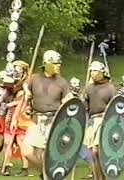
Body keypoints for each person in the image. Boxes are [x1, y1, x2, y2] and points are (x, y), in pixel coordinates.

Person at [21, 50, 71, 179]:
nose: (59, 65)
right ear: (47, 63)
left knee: (45, 154)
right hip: (36, 120)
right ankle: (45, 173)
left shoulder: (62, 82)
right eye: (55, 63)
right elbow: (25, 88)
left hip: (54, 121)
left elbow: (67, 103)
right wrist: (26, 93)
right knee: (26, 151)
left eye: (59, 63)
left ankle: (47, 175)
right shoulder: (34, 79)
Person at [83, 61, 116, 180]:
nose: (93, 73)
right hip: (92, 122)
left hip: (105, 121)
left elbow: (116, 107)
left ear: (103, 72)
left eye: (96, 71)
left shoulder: (110, 88)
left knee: (98, 152)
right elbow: (85, 107)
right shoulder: (88, 88)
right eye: (91, 71)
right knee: (92, 154)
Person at [1, 60, 33, 176]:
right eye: (15, 68)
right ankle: (6, 165)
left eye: (19, 68)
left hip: (22, 116)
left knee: (21, 142)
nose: (16, 70)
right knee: (7, 141)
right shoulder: (11, 82)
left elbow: (26, 99)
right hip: (10, 115)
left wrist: (14, 103)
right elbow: (5, 97)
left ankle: (25, 168)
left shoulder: (27, 84)